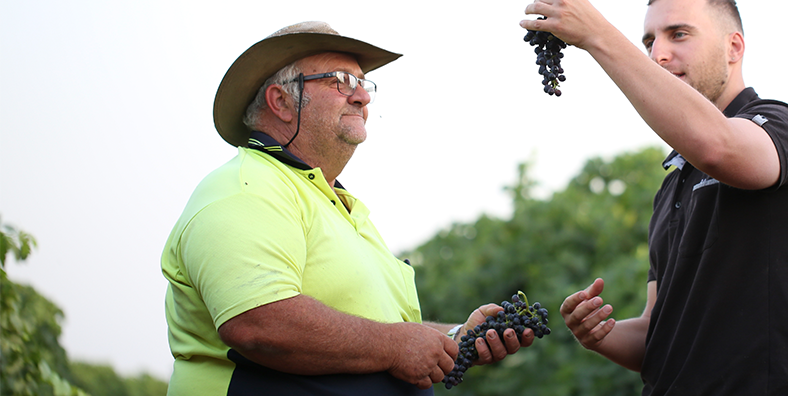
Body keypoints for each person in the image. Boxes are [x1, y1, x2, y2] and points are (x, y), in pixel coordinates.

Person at [161, 21, 533, 396]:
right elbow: (258, 322)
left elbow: (385, 330)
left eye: (363, 83)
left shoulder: (346, 209)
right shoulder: (246, 186)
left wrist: (457, 337)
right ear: (281, 102)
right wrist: (395, 345)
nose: (362, 97)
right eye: (340, 80)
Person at [522, 0, 788, 395]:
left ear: (734, 48)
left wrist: (597, 34)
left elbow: (718, 147)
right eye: (648, 40)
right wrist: (600, 335)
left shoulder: (780, 125)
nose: (657, 54)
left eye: (678, 34)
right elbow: (654, 335)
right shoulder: (669, 190)